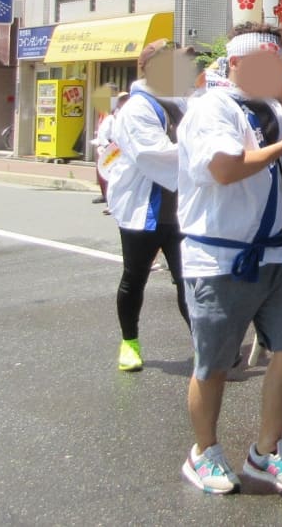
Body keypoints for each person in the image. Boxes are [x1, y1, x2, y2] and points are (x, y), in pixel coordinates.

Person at [176, 22, 282, 496]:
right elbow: (224, 167)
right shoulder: (210, 107)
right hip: (219, 258)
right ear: (235, 63)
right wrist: (281, 145)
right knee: (214, 365)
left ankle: (266, 450)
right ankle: (204, 452)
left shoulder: (272, 108)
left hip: (273, 254)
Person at [107, 45, 190, 372]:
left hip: (182, 209)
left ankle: (206, 346)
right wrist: (204, 149)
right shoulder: (137, 109)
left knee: (190, 280)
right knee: (135, 277)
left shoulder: (182, 104)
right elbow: (154, 154)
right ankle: (129, 342)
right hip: (146, 209)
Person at [92, 92, 129, 207]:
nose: (125, 101)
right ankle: (110, 202)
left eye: (126, 99)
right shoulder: (112, 117)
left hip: (125, 149)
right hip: (112, 150)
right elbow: (103, 133)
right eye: (122, 99)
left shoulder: (130, 114)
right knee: (111, 176)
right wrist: (107, 146)